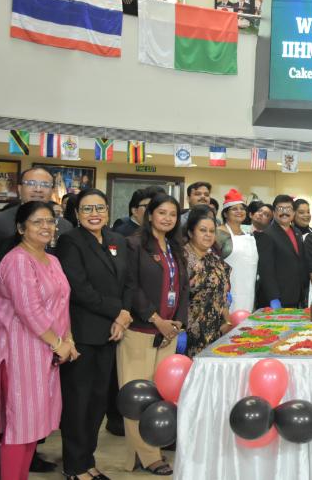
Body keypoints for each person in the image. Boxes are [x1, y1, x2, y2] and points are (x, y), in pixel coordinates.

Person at [0, 201, 77, 480]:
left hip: (47, 351)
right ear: (21, 228)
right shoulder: (18, 260)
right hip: (21, 353)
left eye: (50, 221)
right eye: (37, 222)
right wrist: (58, 343)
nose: (46, 226)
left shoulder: (51, 259)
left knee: (33, 427)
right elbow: (28, 309)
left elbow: (62, 304)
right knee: (19, 428)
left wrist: (68, 339)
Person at [55, 189, 130, 480]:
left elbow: (128, 283)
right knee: (78, 402)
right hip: (83, 334)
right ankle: (74, 465)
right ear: (76, 213)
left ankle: (88, 460)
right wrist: (118, 313)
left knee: (98, 402)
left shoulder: (118, 241)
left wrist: (124, 315)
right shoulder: (70, 242)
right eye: (87, 209)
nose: (94, 213)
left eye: (99, 207)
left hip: (112, 334)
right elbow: (79, 288)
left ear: (108, 211)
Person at [119, 193, 187, 475]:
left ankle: (143, 452)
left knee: (159, 395)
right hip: (140, 331)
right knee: (138, 396)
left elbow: (183, 289)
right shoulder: (134, 244)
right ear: (150, 215)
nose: (167, 218)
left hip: (168, 334)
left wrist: (178, 323)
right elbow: (131, 287)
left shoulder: (174, 246)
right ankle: (149, 457)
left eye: (172, 214)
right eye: (162, 213)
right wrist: (156, 319)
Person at [0, 167, 73, 269]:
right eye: (31, 183)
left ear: (53, 190)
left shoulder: (65, 226)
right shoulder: (0, 221)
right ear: (19, 188)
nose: (38, 189)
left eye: (45, 185)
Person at [183, 206, 230, 358]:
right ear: (190, 232)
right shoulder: (182, 259)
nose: (208, 235)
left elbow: (223, 296)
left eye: (211, 231)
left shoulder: (216, 260)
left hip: (216, 331)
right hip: (189, 332)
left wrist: (227, 322)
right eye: (203, 230)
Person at [255, 195, 308, 309]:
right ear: (274, 213)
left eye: (288, 209)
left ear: (293, 213)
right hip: (276, 299)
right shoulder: (266, 234)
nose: (284, 212)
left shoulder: (297, 232)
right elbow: (266, 269)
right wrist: (273, 297)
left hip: (295, 296)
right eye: (280, 209)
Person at [215, 189, 258, 314]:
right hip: (228, 296)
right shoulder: (218, 234)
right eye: (234, 209)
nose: (239, 211)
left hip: (249, 294)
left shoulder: (248, 234)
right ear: (225, 214)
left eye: (242, 208)